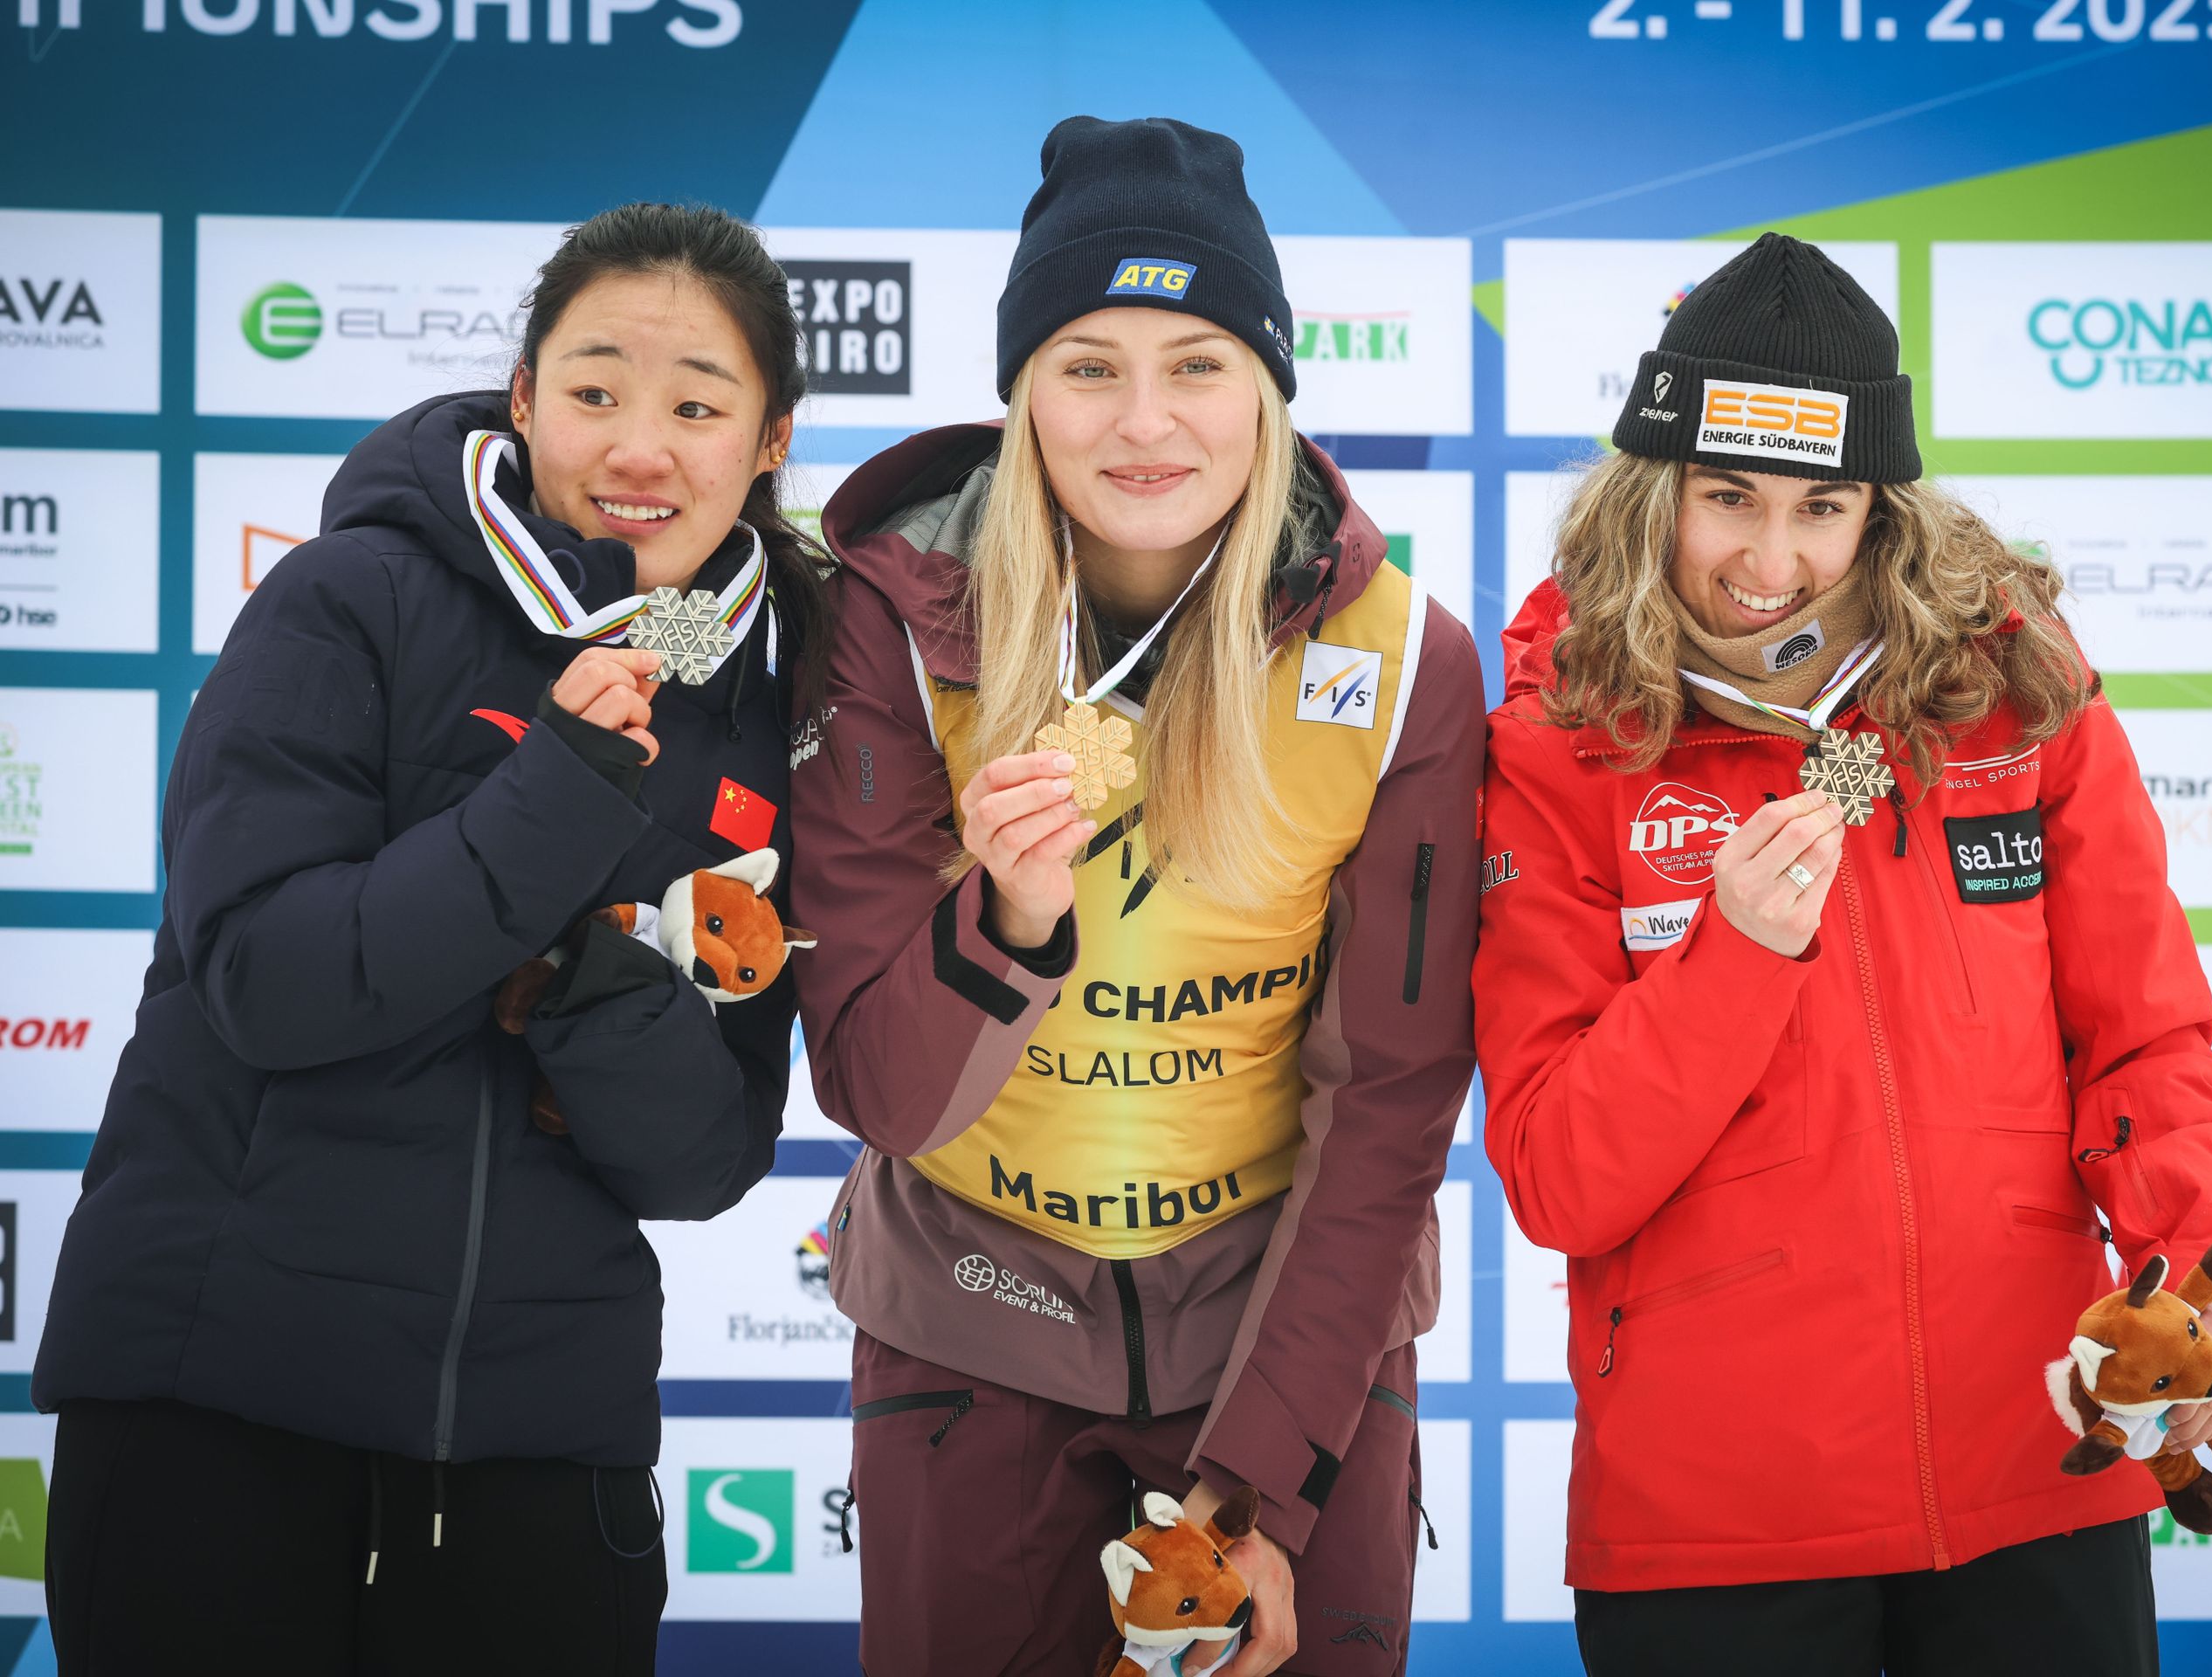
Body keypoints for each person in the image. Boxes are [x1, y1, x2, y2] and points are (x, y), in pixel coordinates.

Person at [33, 203, 825, 1674]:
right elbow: (270, 981)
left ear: (770, 439)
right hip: (220, 1406)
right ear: (523, 401)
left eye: (697, 405)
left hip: (539, 1445)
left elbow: (704, 1157)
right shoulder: (352, 598)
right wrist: (561, 797)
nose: (637, 448)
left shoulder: (764, 715)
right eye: (591, 392)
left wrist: (590, 987)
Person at [1473, 233, 2212, 1676]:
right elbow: (1558, 1174)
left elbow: (2142, 1042)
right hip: (1719, 1526)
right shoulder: (1558, 741)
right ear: (1653, 491)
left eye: (1820, 506)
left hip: (2047, 1468)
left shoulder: (2015, 698)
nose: (1769, 564)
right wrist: (1736, 956)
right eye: (1727, 498)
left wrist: (2195, 1284)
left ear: (1882, 514)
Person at [787, 116, 1481, 1676]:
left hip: (1286, 1344)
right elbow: (883, 1093)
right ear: (1020, 392)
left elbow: (1387, 1105)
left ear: (1271, 387)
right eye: (1088, 363)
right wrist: (1011, 923)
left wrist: (1258, 1494)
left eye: (1200, 362)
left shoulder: (1400, 660)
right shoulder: (893, 625)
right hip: (970, 1321)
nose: (1144, 422)